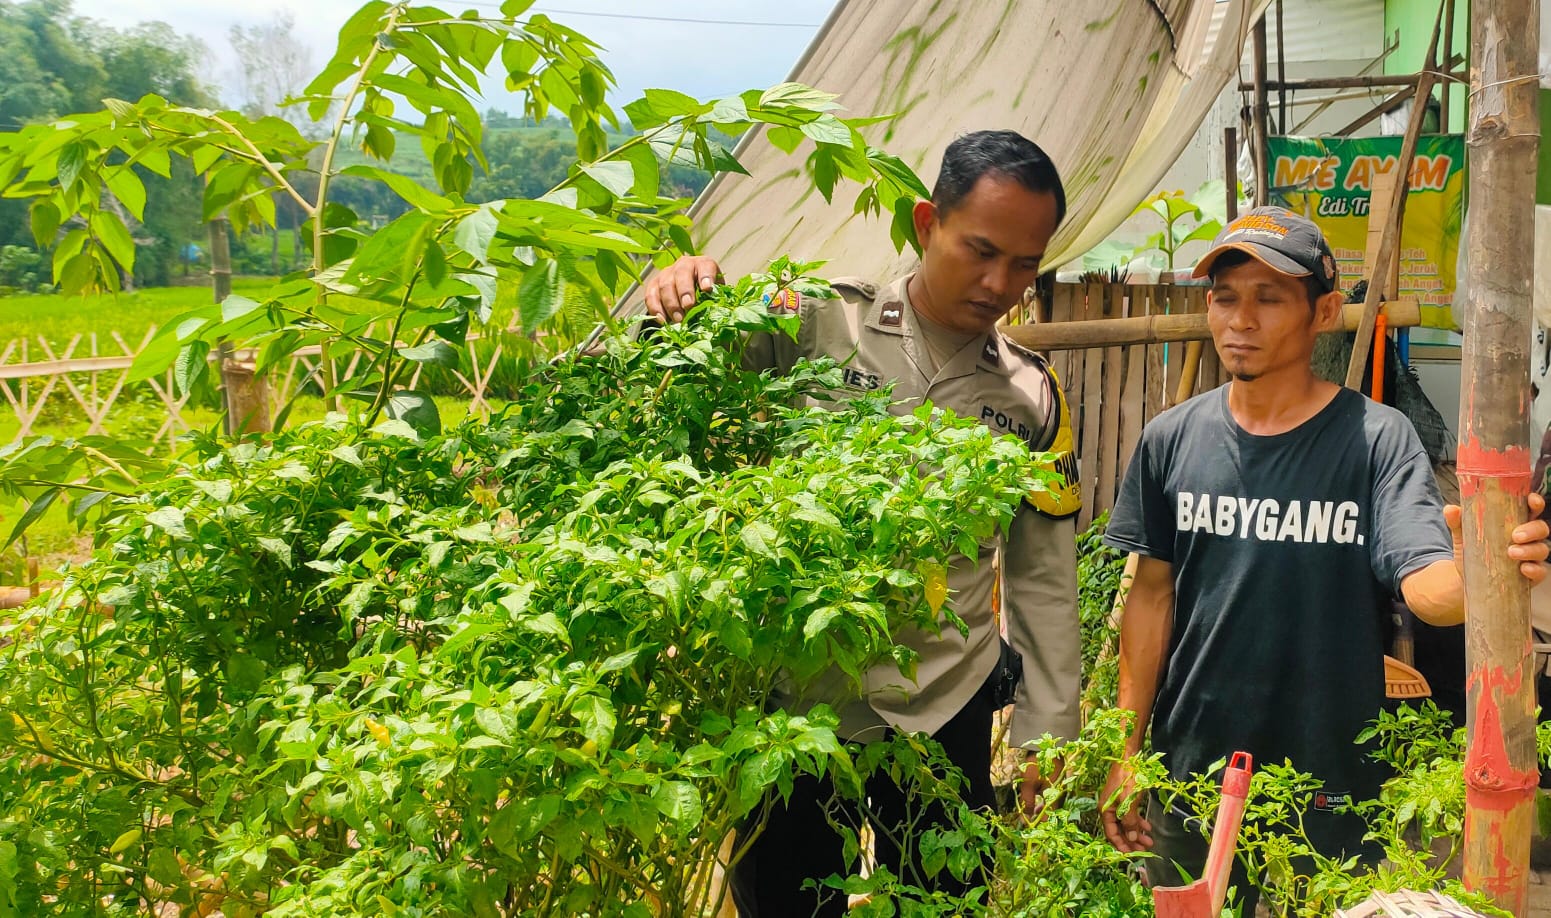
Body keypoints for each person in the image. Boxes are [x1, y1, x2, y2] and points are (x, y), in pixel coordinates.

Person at [643, 130, 1083, 916]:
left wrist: (1048, 728)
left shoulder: (1032, 397)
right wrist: (681, 293)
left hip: (946, 703)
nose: (999, 282)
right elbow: (679, 367)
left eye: (1025, 263)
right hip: (798, 701)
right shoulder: (813, 323)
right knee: (786, 901)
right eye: (979, 250)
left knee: (943, 902)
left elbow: (1045, 576)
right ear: (925, 224)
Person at [1097, 206, 1551, 909]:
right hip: (1189, 771)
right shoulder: (1170, 439)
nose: (1238, 319)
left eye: (1268, 298)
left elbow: (1427, 586)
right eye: (1223, 297)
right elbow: (1150, 596)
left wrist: (1479, 570)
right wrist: (1126, 751)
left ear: (1324, 312)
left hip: (1330, 783)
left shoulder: (1374, 440)